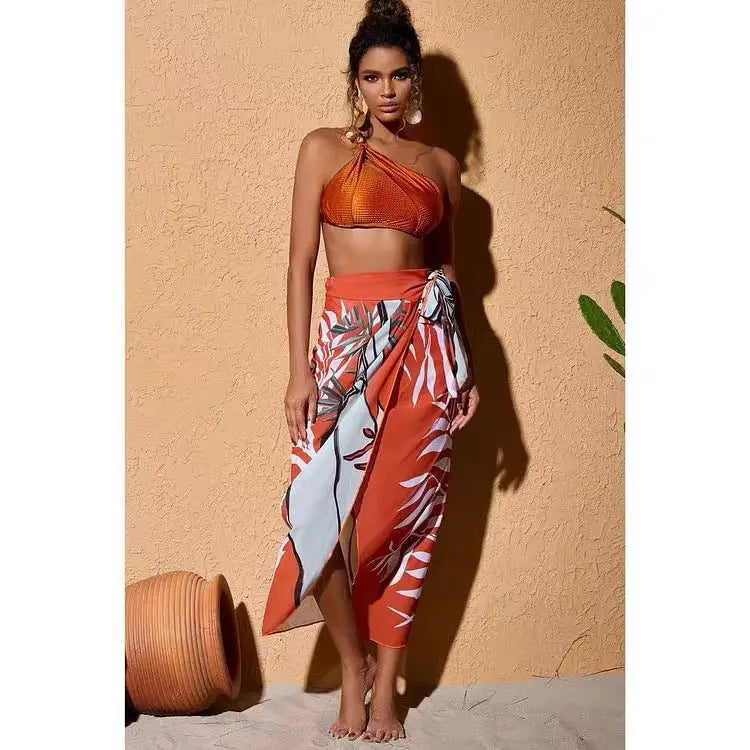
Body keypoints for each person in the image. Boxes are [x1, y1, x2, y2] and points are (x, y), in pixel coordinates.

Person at [262, 0, 479, 742]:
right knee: (314, 516)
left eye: (399, 76)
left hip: (424, 355)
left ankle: (386, 686)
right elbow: (300, 264)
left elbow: (448, 275)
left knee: (405, 519)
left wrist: (465, 367)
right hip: (345, 348)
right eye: (372, 77)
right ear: (355, 83)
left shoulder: (442, 168)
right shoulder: (322, 150)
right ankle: (352, 665)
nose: (387, 90)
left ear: (415, 81)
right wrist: (300, 371)